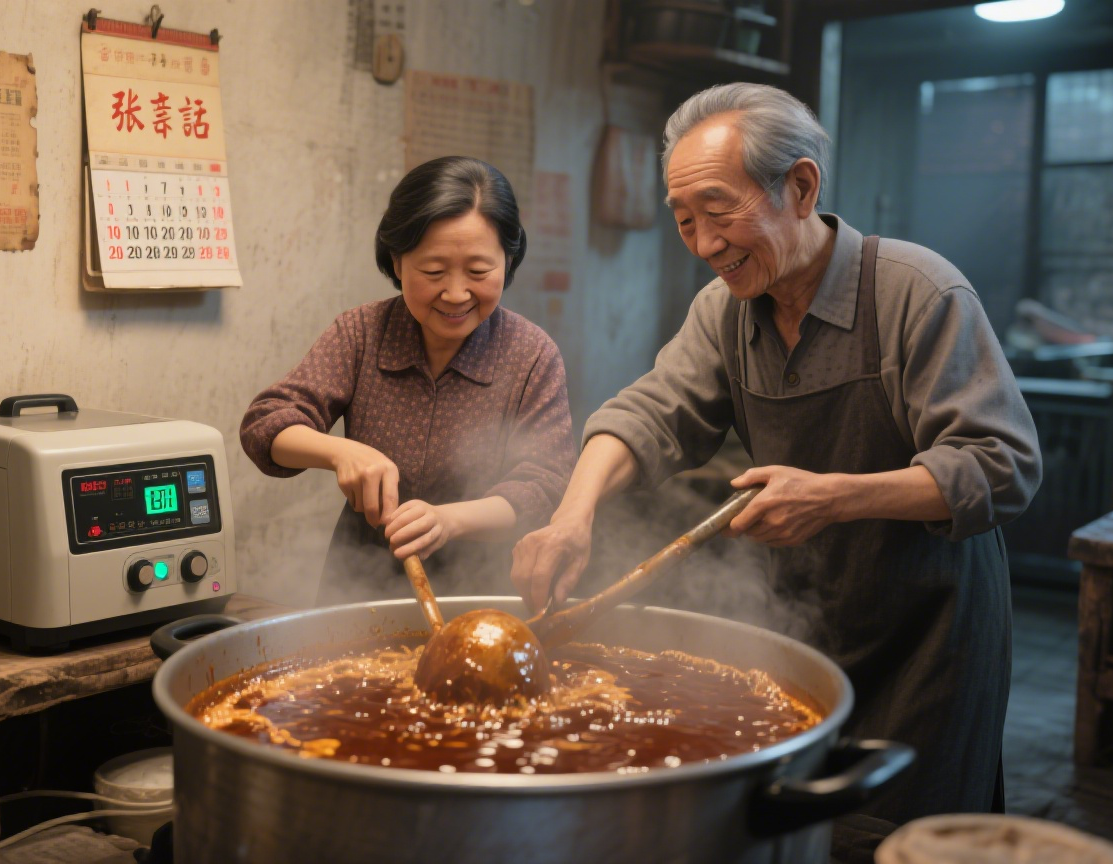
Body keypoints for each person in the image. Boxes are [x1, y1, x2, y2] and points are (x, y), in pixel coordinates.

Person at [508, 83, 1041, 861]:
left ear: (801, 187)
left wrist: (834, 497)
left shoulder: (918, 293)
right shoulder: (725, 310)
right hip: (804, 624)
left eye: (719, 211)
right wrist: (571, 517)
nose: (703, 243)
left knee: (912, 840)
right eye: (683, 219)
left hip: (929, 638)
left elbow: (1003, 466)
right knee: (797, 837)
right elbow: (651, 412)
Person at [241, 156, 576, 606]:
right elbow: (266, 424)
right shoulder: (361, 333)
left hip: (483, 589)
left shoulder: (531, 354)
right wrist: (342, 452)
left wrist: (449, 521)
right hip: (359, 585)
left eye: (479, 272)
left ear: (508, 261)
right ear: (397, 261)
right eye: (433, 272)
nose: (456, 293)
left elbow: (545, 485)